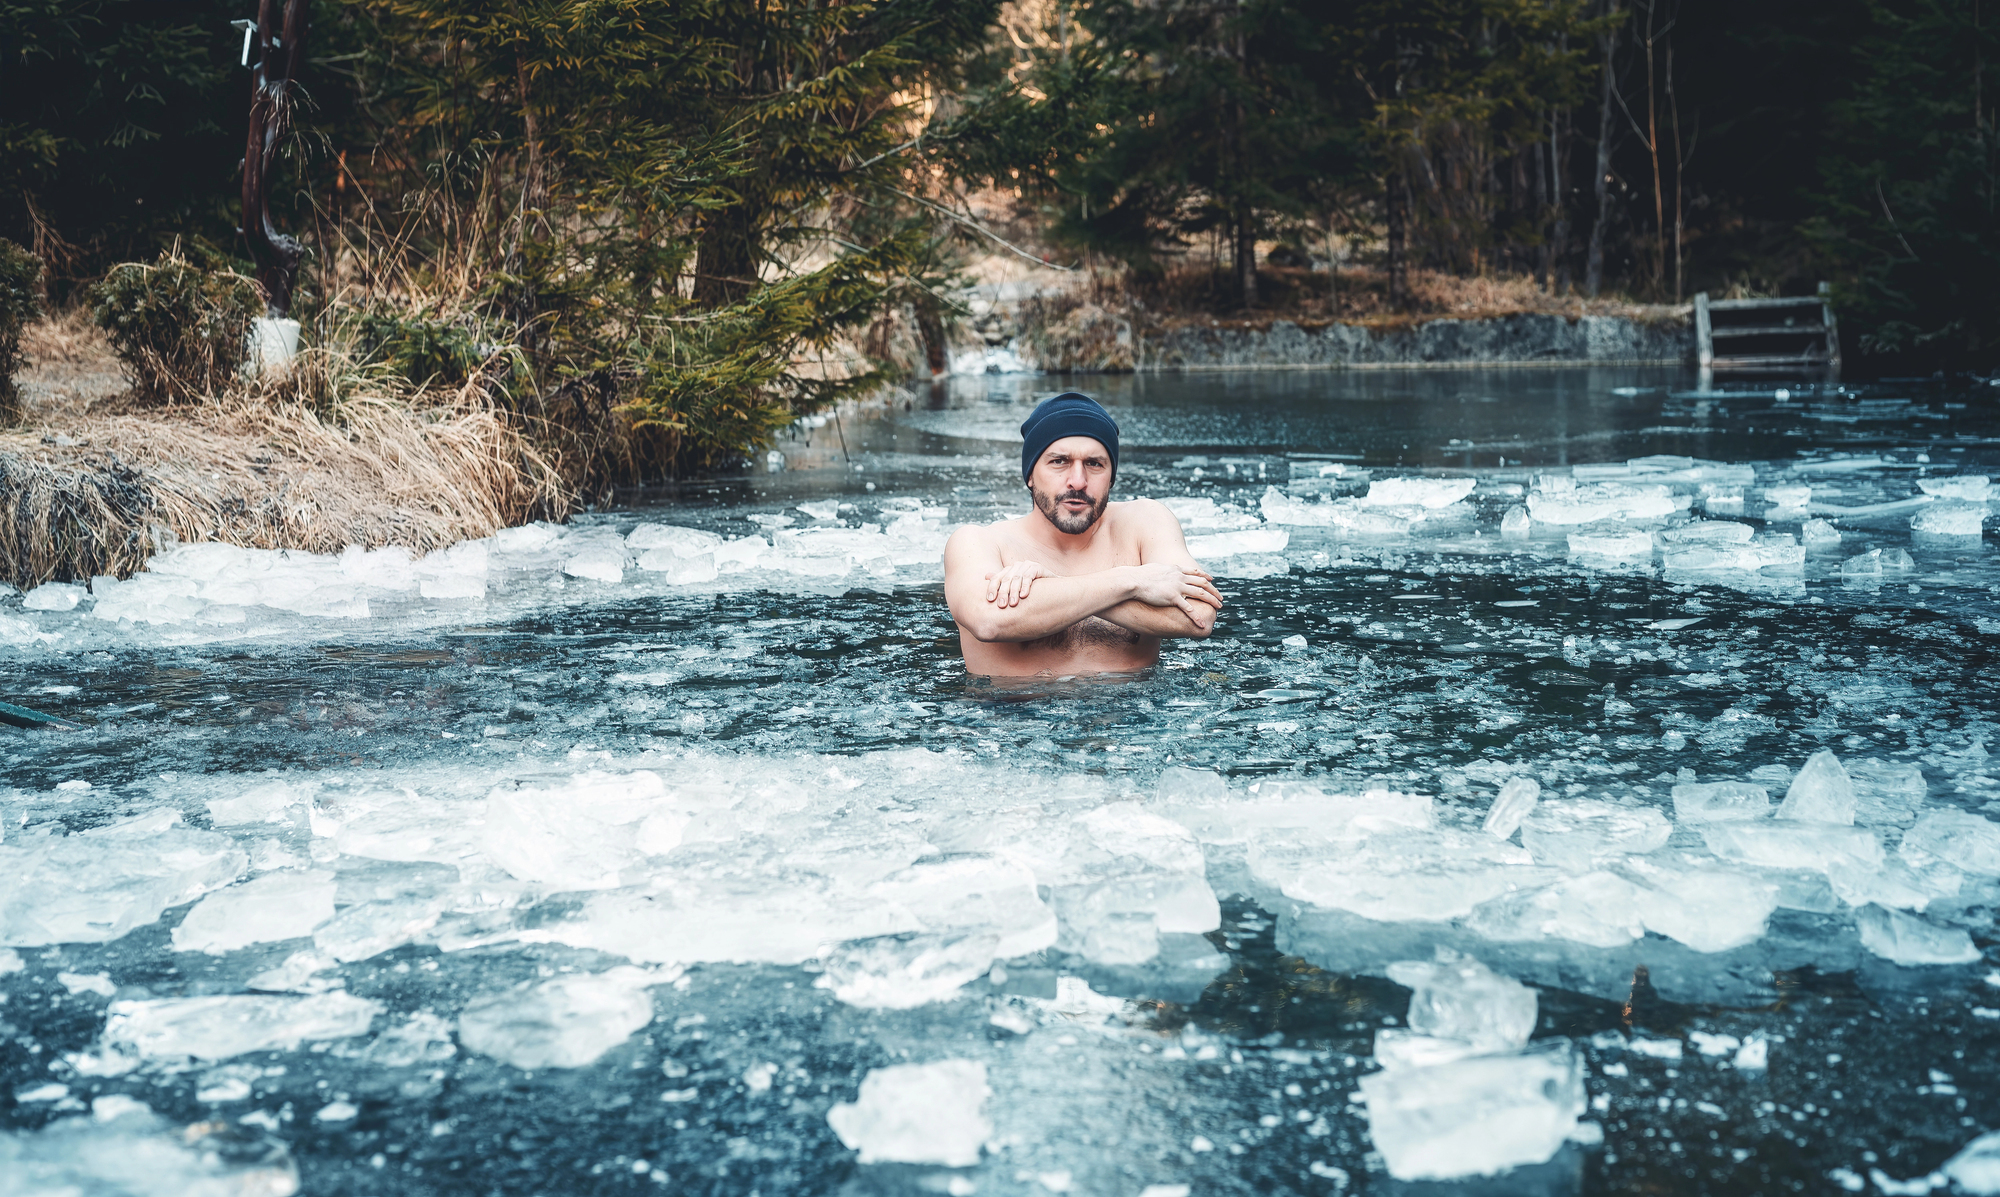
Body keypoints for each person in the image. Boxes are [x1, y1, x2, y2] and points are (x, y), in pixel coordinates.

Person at [943, 392, 1224, 677]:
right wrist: (1133, 582)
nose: (1078, 481)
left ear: (1111, 476)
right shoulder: (978, 542)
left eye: (1094, 464)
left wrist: (1054, 586)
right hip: (1013, 713)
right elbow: (988, 620)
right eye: (1059, 462)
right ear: (1030, 474)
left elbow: (1199, 616)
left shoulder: (1144, 522)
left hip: (1133, 714)